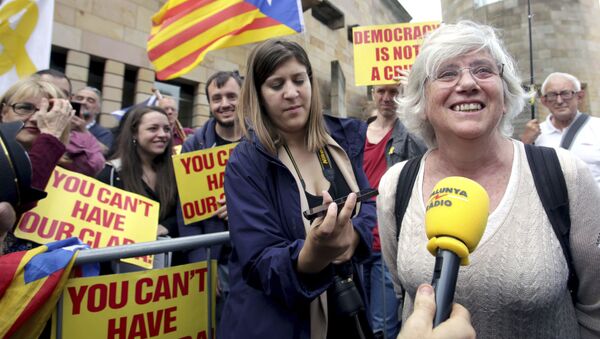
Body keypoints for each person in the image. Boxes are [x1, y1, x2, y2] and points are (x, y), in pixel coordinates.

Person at [377, 21, 600, 338]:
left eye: (483, 70)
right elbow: (403, 296)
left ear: (506, 95)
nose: (467, 83)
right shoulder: (395, 186)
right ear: (422, 100)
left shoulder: (566, 174)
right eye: (447, 73)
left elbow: (594, 311)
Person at [220, 39, 376, 338]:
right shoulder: (246, 161)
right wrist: (312, 254)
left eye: (298, 80)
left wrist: (353, 237)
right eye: (276, 84)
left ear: (311, 83)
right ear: (259, 95)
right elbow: (258, 260)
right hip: (277, 324)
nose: (291, 93)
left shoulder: (342, 139)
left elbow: (367, 206)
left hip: (346, 313)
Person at [175, 71, 243, 323]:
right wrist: (203, 264)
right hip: (217, 261)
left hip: (258, 254)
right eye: (217, 98)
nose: (224, 104)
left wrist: (240, 206)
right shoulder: (194, 146)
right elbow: (187, 213)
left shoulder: (261, 139)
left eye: (231, 96)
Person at [362, 78, 427, 338]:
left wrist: (413, 92)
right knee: (361, 321)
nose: (387, 97)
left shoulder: (408, 134)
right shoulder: (357, 132)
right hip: (358, 242)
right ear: (373, 94)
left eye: (394, 91)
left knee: (382, 326)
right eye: (381, 91)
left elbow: (429, 146)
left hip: (386, 246)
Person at [96, 106, 178, 269]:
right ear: (134, 133)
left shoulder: (176, 171)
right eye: (153, 128)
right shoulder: (111, 174)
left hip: (169, 277)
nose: (162, 135)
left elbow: (183, 215)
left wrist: (167, 226)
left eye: (166, 129)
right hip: (123, 275)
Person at [0, 78, 73, 253]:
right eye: (25, 108)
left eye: (48, 111)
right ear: (3, 112)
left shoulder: (72, 174)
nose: (36, 118)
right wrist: (51, 136)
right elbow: (20, 196)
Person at [521, 72, 600, 187]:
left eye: (566, 93)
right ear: (544, 101)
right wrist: (524, 143)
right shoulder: (534, 134)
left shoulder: (597, 127)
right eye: (552, 95)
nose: (559, 101)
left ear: (580, 96)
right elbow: (521, 174)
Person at [34, 70, 105, 177]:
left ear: (70, 100)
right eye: (46, 90)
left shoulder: (79, 132)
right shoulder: (22, 119)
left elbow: (95, 166)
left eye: (62, 94)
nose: (55, 97)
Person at [73, 86, 113, 152]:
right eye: (79, 98)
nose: (83, 102)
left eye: (90, 100)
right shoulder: (60, 122)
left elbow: (103, 152)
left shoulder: (104, 133)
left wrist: (83, 130)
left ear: (98, 109)